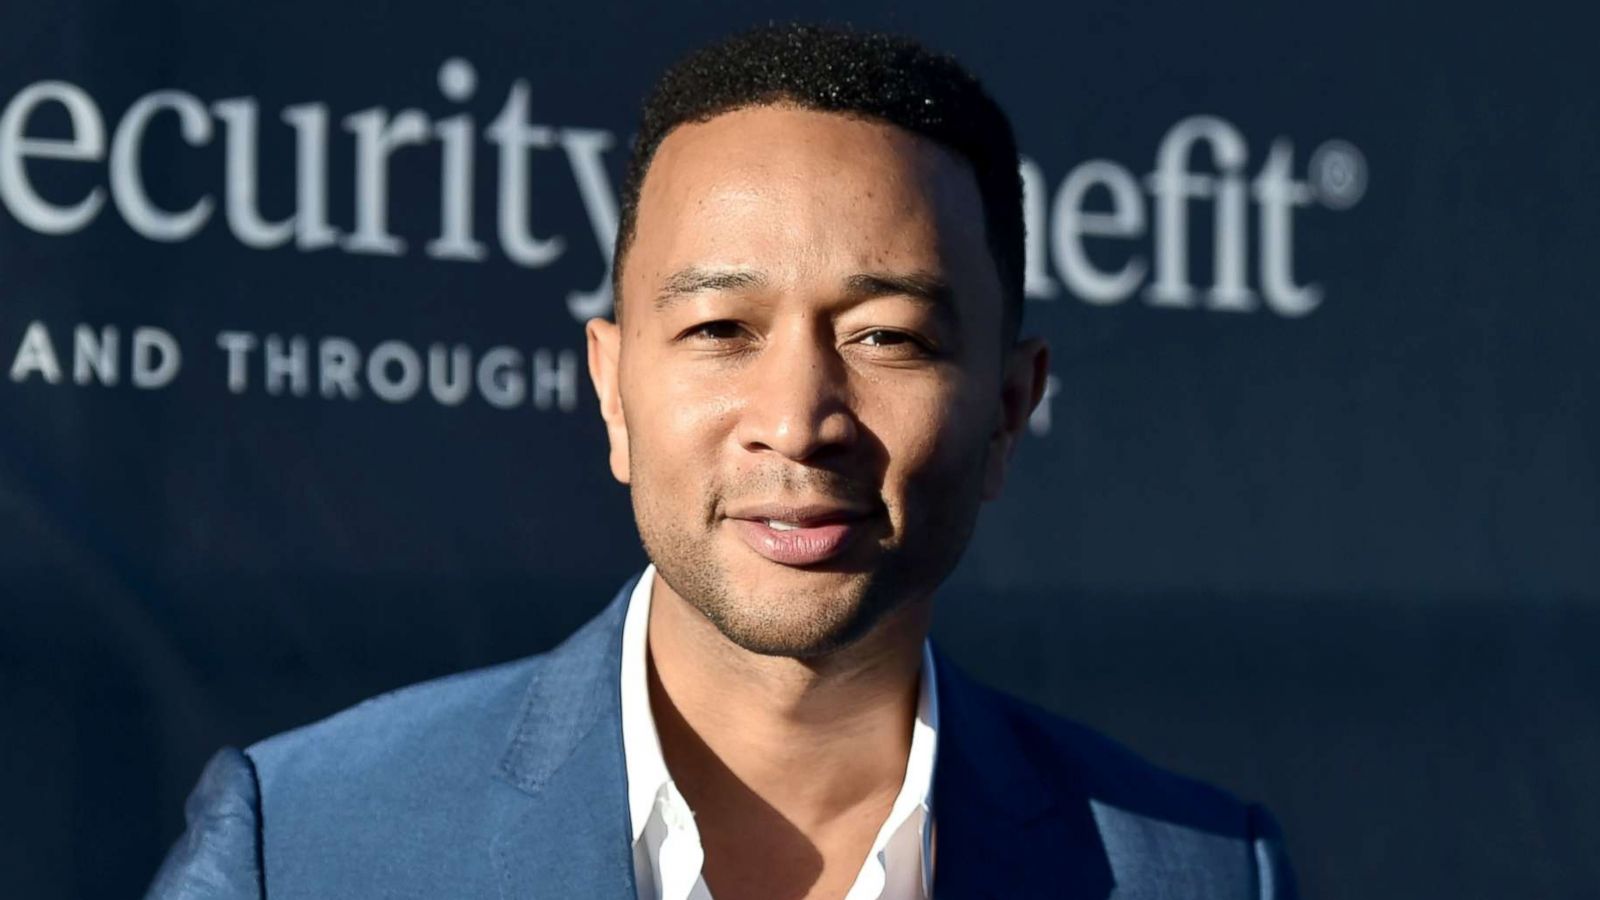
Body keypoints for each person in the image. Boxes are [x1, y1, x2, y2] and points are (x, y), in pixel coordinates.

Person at [147, 23, 1297, 900]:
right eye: (718, 331)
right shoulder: (303, 847)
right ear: (612, 389)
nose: (798, 420)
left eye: (886, 336)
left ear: (1008, 404)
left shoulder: (1194, 869)